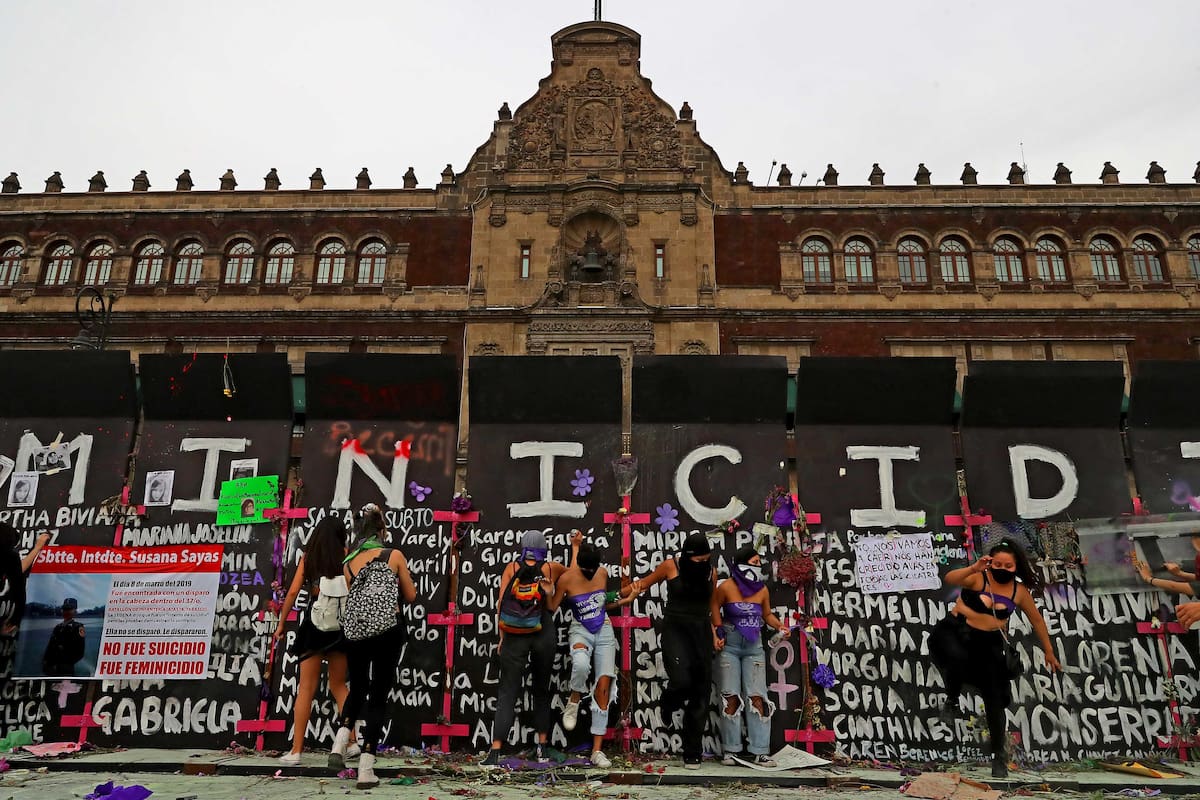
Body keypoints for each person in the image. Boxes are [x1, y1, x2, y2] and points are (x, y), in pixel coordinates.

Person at [931, 540, 1061, 778]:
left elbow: (1037, 620)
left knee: (995, 698)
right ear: (990, 562)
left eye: (1008, 566)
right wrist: (974, 568)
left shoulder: (1018, 591)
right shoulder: (978, 578)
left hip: (988, 643)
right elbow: (950, 578)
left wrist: (1049, 651)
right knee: (953, 655)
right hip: (956, 632)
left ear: (1016, 566)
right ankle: (952, 699)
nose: (1002, 569)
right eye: (997, 564)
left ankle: (998, 756)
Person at [331, 504, 416, 789]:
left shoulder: (348, 563)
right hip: (387, 632)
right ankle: (366, 769)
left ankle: (340, 741)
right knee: (378, 695)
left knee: (357, 687)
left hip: (356, 633)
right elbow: (411, 596)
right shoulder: (394, 555)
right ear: (381, 531)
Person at [624, 531, 720, 769]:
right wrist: (621, 594)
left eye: (706, 559)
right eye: (698, 560)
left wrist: (716, 632)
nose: (702, 563)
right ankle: (668, 701)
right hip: (675, 628)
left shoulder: (712, 572)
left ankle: (692, 752)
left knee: (701, 692)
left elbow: (711, 605)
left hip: (701, 630)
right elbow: (644, 583)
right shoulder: (671, 566)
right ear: (688, 556)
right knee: (681, 680)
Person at [480, 530, 574, 768]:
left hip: (514, 635)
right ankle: (542, 747)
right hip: (544, 632)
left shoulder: (512, 567)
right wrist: (575, 547)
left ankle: (495, 751)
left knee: (508, 691)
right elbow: (574, 575)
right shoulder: (551, 568)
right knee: (541, 690)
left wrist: (502, 636)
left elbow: (501, 603)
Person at [546, 533, 634, 769]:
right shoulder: (567, 579)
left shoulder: (602, 573)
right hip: (580, 629)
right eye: (586, 569)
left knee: (604, 685)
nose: (589, 573)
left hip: (604, 628)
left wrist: (624, 600)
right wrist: (547, 590)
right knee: (581, 663)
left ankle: (597, 750)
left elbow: (602, 603)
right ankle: (574, 698)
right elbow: (552, 606)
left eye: (592, 569)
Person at [274, 516, 353, 765]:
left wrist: (281, 624)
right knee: (339, 685)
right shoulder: (348, 557)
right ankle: (352, 742)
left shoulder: (309, 558)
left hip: (314, 627)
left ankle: (296, 751)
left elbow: (293, 592)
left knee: (306, 688)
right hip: (340, 629)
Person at [710, 545, 790, 767]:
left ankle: (760, 750)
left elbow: (767, 614)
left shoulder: (761, 590)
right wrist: (717, 630)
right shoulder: (726, 587)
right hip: (730, 645)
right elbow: (714, 606)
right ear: (741, 564)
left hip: (754, 646)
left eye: (758, 563)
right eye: (753, 563)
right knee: (730, 696)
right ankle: (731, 749)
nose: (757, 567)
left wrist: (780, 626)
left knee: (757, 697)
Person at [42, 597, 86, 676]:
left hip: (66, 668)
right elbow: (50, 647)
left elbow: (79, 652)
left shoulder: (77, 627)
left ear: (75, 611)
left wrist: (65, 664)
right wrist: (46, 662)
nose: (66, 612)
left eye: (69, 609)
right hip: (51, 667)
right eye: (65, 609)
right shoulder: (58, 627)